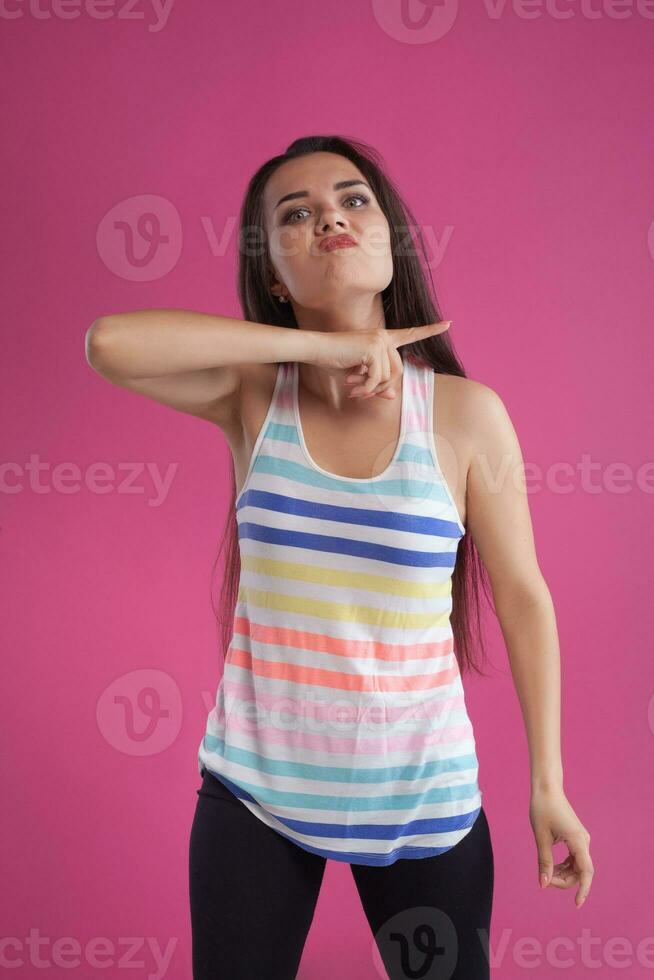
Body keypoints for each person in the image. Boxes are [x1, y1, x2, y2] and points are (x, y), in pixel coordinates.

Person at [85, 134, 594, 980]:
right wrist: (319, 349)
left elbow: (523, 597)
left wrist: (548, 782)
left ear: (389, 238)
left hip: (424, 803)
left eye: (354, 200)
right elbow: (110, 343)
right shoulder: (252, 395)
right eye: (296, 213)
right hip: (256, 798)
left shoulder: (467, 416)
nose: (330, 216)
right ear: (274, 276)